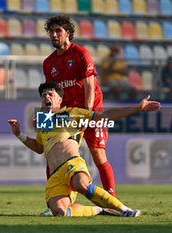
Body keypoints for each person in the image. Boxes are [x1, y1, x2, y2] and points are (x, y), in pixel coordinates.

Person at [8, 82, 161, 217]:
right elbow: (39, 148)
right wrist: (18, 134)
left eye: (50, 94)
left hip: (72, 164)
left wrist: (136, 108)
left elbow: (105, 115)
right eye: (43, 95)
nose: (46, 97)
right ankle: (100, 210)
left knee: (81, 184)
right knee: (60, 212)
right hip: (55, 175)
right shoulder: (43, 122)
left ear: (59, 100)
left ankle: (124, 209)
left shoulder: (72, 113)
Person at [42, 15, 116, 199]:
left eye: (58, 31)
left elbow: (90, 87)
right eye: (51, 31)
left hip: (91, 110)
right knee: (53, 156)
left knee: (98, 155)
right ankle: (55, 200)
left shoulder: (81, 54)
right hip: (67, 113)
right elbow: (50, 94)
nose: (54, 34)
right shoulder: (48, 63)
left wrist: (86, 115)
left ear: (68, 33)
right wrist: (45, 118)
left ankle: (111, 199)